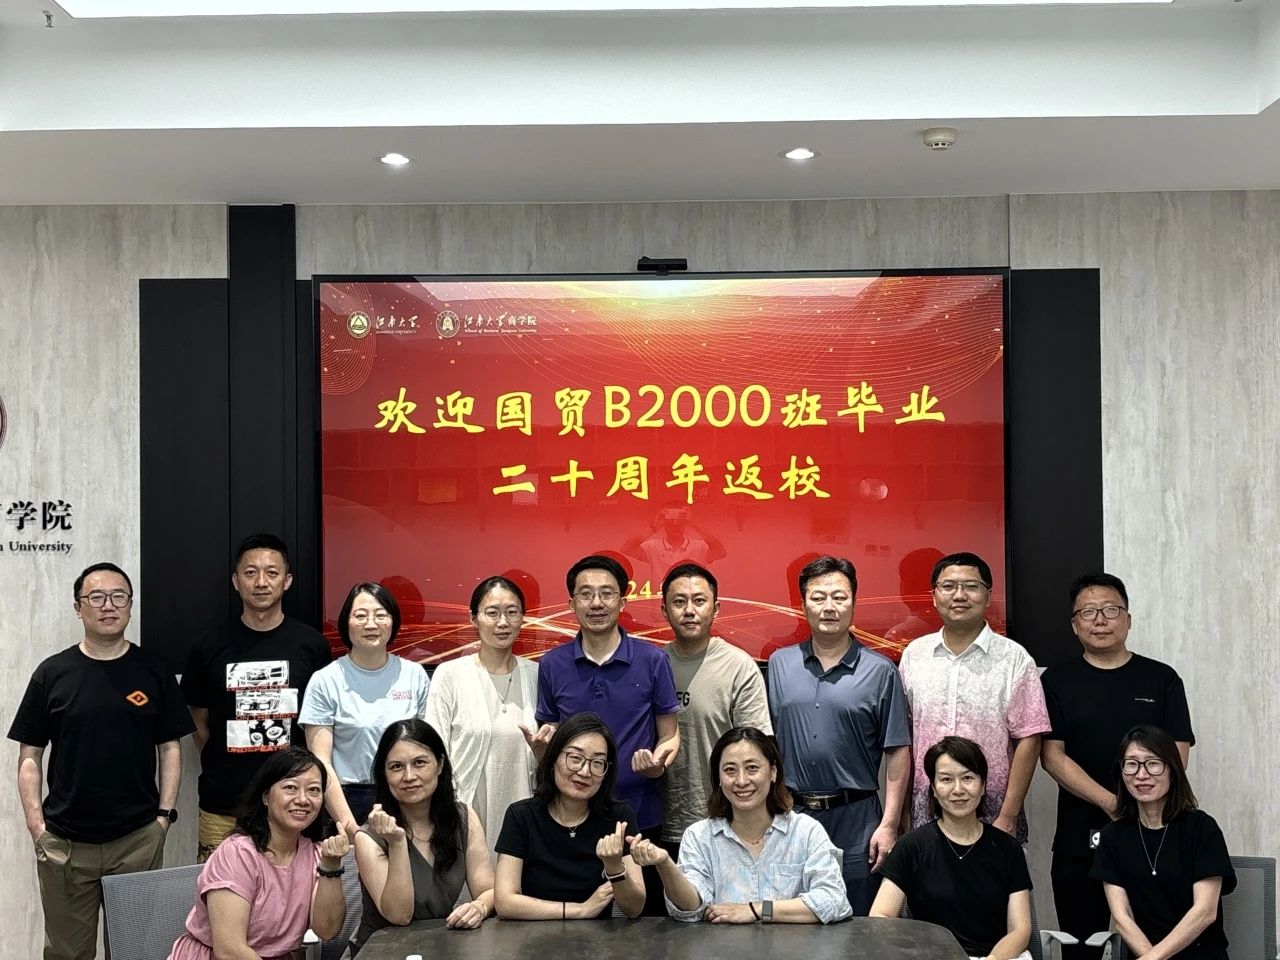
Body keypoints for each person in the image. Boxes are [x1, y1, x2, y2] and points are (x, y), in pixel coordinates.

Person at [9, 562, 195, 960]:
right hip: (65, 844)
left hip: (137, 840)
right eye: (96, 597)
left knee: (134, 951)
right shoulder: (52, 673)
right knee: (66, 953)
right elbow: (30, 756)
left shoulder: (153, 671)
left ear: (130, 605)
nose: (108, 606)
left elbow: (170, 747)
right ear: (78, 608)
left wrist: (163, 817)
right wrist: (37, 828)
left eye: (118, 597)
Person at [1040, 573, 1195, 958]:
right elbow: (1052, 756)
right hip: (1079, 834)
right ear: (1074, 625)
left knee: (1157, 942)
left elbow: (1177, 750)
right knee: (1080, 945)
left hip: (1154, 831)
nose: (1100, 620)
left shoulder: (1161, 679)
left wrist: (1140, 805)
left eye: (1111, 610)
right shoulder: (1057, 680)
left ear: (1128, 618)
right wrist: (1113, 803)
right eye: (1088, 612)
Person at [533, 554, 679, 913]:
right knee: (578, 918)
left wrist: (658, 764)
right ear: (572, 604)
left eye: (606, 593)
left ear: (622, 601)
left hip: (640, 814)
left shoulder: (653, 659)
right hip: (573, 819)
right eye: (586, 594)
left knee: (644, 921)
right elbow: (549, 737)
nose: (596, 603)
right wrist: (541, 752)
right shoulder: (552, 664)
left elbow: (670, 734)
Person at [766, 554, 911, 915]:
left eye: (839, 597)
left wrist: (889, 824)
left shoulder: (880, 672)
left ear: (854, 603)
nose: (829, 606)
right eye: (818, 597)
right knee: (791, 918)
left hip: (858, 820)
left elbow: (897, 750)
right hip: (791, 815)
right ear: (802, 605)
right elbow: (764, 744)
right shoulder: (779, 664)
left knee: (859, 921)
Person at [181, 533, 332, 861]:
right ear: (236, 581)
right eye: (250, 573)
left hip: (295, 806)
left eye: (272, 573)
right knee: (219, 891)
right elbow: (198, 720)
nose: (261, 582)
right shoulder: (208, 646)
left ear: (287, 581)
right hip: (224, 806)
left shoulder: (312, 646)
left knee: (295, 892)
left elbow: (321, 724)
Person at [898, 551, 1049, 842]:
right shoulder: (914, 656)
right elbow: (904, 740)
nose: (959, 595)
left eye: (971, 586)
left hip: (994, 816)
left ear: (988, 596)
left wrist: (1009, 815)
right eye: (948, 586)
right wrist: (903, 812)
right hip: (925, 814)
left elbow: (1029, 739)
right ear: (934, 596)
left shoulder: (1014, 658)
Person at [632, 726, 851, 924]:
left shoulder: (806, 831)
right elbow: (691, 909)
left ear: (773, 772)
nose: (741, 781)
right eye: (730, 770)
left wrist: (756, 910)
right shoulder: (698, 836)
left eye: (752, 768)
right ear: (718, 778)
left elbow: (833, 900)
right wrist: (665, 864)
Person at [166, 747, 350, 960]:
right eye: (290, 787)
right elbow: (229, 950)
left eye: (314, 790)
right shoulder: (238, 854)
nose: (303, 799)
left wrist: (331, 865)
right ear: (265, 796)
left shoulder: (315, 854)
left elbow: (327, 930)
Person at [871, 736, 1033, 960]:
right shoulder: (911, 846)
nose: (958, 789)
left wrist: (993, 959)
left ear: (983, 785)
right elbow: (880, 916)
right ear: (934, 789)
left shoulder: (1008, 849)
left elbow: (1020, 930)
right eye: (946, 779)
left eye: (968, 778)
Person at [657, 562, 771, 861]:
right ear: (664, 610)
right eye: (679, 602)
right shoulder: (652, 664)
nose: (689, 610)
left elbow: (758, 749)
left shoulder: (738, 666)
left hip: (723, 823)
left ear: (716, 608)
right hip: (658, 824)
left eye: (699, 600)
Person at [1091, 725, 1235, 960]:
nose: (1141, 774)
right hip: (1144, 953)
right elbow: (1122, 918)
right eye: (1132, 764)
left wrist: (1153, 958)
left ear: (1172, 769)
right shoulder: (1111, 838)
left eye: (1153, 763)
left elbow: (1205, 912)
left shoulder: (1202, 828)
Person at [351, 719, 495, 953]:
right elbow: (399, 915)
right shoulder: (368, 837)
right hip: (382, 952)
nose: (409, 776)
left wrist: (479, 907)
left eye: (419, 763)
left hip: (442, 947)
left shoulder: (463, 818)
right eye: (396, 767)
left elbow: (489, 891)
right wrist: (397, 843)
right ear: (384, 775)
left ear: (439, 764)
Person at [299, 581, 430, 839]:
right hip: (348, 799)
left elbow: (427, 751)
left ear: (393, 621)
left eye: (380, 615)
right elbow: (321, 763)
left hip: (407, 795)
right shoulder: (326, 680)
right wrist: (350, 827)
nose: (371, 624)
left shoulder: (414, 675)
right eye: (360, 616)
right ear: (346, 623)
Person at [423, 575, 539, 850]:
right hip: (465, 812)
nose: (503, 622)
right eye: (492, 613)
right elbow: (433, 747)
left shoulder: (537, 674)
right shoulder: (450, 674)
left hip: (524, 811)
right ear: (473, 618)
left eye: (512, 612)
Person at [494, 712, 644, 919]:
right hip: (531, 935)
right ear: (554, 758)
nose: (585, 771)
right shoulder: (521, 816)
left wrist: (615, 868)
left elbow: (634, 908)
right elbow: (505, 903)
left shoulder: (619, 817)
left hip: (598, 938)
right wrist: (581, 910)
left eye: (597, 763)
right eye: (575, 758)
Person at [621, 503, 727, 589]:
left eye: (680, 521)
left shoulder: (699, 547)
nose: (675, 524)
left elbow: (720, 552)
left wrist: (694, 524)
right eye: (670, 521)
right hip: (662, 604)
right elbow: (626, 549)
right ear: (664, 523)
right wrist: (654, 527)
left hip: (692, 604)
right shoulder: (653, 547)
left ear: (685, 523)